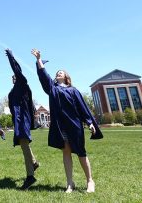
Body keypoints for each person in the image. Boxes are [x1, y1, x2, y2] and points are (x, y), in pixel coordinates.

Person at [31, 48, 103, 193]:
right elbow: (44, 77)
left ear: (66, 77)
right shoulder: (52, 88)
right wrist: (39, 59)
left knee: (81, 153)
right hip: (60, 126)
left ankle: (90, 181)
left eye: (61, 72)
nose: (58, 73)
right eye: (57, 73)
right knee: (66, 152)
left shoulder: (73, 90)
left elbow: (82, 107)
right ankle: (70, 183)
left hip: (74, 125)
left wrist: (89, 122)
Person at [5, 49, 40, 190]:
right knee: (23, 143)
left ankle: (30, 176)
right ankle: (34, 162)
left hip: (23, 119)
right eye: (12, 77)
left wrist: (11, 57)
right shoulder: (12, 92)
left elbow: (17, 69)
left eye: (16, 76)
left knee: (24, 142)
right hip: (18, 121)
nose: (14, 77)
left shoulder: (22, 84)